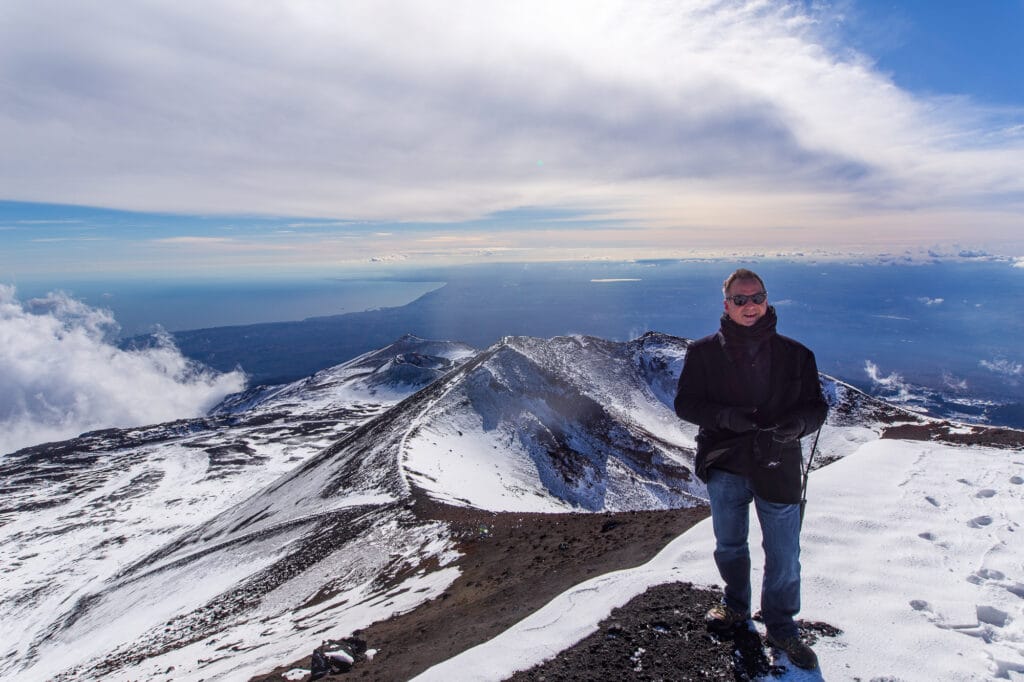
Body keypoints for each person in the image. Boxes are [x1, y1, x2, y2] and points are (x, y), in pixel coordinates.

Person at [674, 268, 828, 670]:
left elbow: (816, 408)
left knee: (783, 552)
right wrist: (728, 417)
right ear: (726, 304)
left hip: (777, 464)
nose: (749, 306)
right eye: (740, 300)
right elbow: (686, 405)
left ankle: (781, 625)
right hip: (725, 463)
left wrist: (796, 426)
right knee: (730, 543)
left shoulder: (797, 355)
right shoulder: (703, 353)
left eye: (755, 297)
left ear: (767, 300)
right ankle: (736, 606)